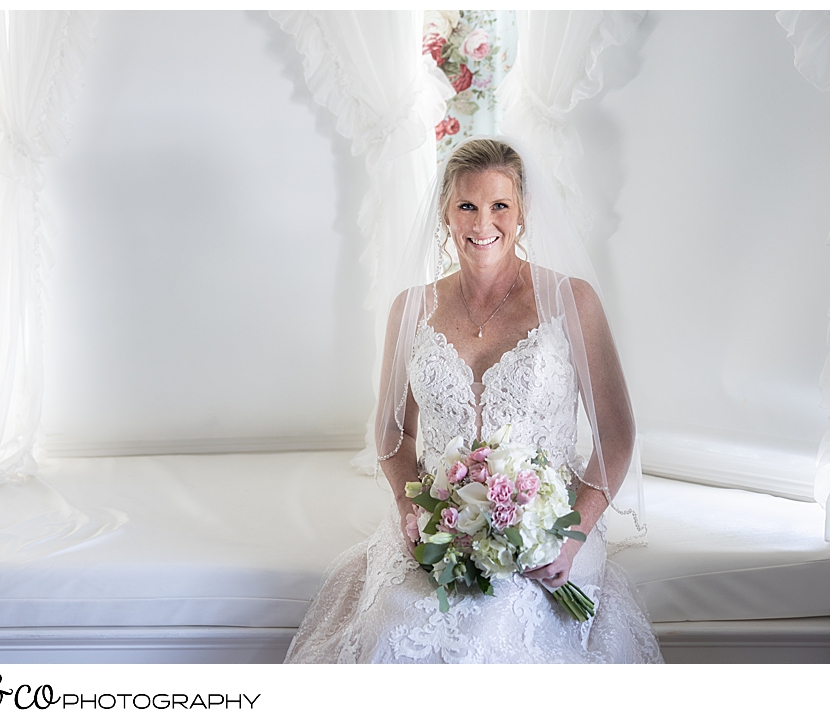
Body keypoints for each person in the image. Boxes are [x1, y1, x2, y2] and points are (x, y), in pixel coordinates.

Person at [284, 137, 663, 663]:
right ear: (445, 214)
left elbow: (616, 436)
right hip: (440, 526)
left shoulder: (572, 301)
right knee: (401, 622)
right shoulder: (411, 309)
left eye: (499, 205)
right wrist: (409, 508)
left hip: (550, 527)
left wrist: (571, 536)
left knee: (499, 623)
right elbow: (395, 433)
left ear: (522, 213)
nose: (483, 222)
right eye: (467, 205)